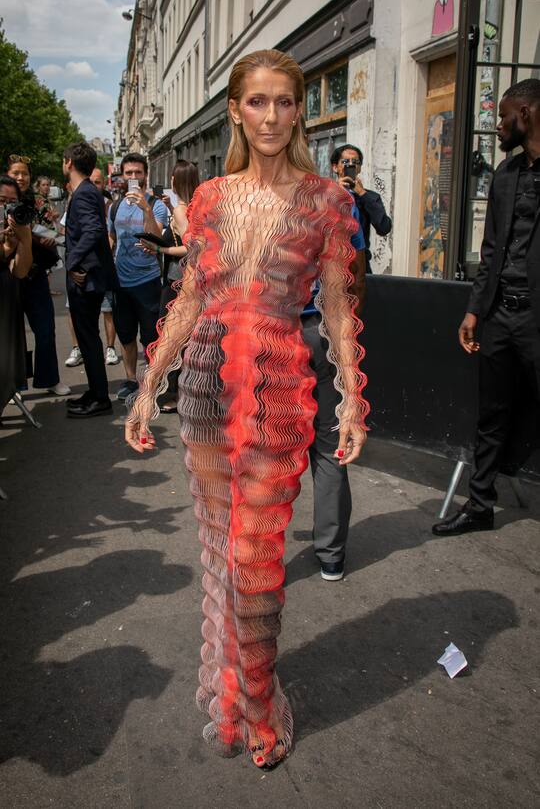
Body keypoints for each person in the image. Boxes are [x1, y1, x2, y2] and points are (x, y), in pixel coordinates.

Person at [125, 49, 369, 769]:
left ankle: (260, 706)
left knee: (258, 564)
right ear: (235, 109)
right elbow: (191, 299)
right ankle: (234, 690)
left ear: (298, 111)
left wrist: (352, 394)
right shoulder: (209, 199)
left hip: (278, 393)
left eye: (285, 102)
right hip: (203, 389)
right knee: (226, 565)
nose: (271, 116)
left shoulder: (328, 200)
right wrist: (150, 385)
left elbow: (338, 305)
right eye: (257, 102)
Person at [433, 78, 540, 536]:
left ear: (528, 114)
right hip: (499, 315)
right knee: (491, 415)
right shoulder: (506, 175)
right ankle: (479, 506)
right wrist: (475, 310)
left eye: (504, 115)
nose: (498, 126)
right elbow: (491, 247)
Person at [301, 188, 366, 581]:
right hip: (323, 329)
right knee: (329, 446)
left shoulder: (255, 195)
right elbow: (355, 272)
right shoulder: (335, 199)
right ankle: (331, 555)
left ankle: (258, 551)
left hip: (273, 334)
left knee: (264, 445)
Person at [63, 141, 118, 418]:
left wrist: (72, 262)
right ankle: (95, 392)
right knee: (87, 339)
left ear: (69, 163)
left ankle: (99, 398)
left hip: (87, 279)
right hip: (90, 276)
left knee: (89, 338)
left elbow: (94, 229)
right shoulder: (88, 191)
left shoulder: (84, 192)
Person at [7, 156, 70, 396]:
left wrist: (49, 236)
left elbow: (54, 231)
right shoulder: (3, 200)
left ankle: (49, 379)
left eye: (24, 173)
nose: (20, 177)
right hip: (10, 275)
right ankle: (16, 385)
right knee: (14, 334)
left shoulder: (39, 202)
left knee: (45, 329)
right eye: (16, 173)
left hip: (36, 274)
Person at [108, 153, 168, 401]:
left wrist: (145, 208)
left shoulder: (157, 205)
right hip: (121, 282)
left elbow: (157, 237)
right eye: (129, 173)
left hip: (148, 281)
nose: (133, 177)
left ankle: (152, 382)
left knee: (151, 336)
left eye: (138, 173)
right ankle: (131, 379)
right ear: (122, 176)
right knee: (125, 334)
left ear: (146, 175)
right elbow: (112, 237)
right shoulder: (114, 206)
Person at [137, 159, 196, 412]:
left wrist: (161, 248)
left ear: (175, 180)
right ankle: (178, 390)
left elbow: (193, 246)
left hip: (178, 282)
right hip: (179, 280)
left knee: (172, 338)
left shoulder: (183, 210)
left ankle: (176, 392)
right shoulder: (187, 207)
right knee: (178, 338)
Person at [331, 144, 392, 274]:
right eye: (345, 161)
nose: (351, 165)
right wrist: (336, 192)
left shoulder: (369, 197)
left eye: (356, 162)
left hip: (360, 266)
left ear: (359, 168)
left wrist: (362, 193)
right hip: (330, 264)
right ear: (335, 167)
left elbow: (384, 227)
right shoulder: (325, 194)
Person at [0, 175, 33, 409]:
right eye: (2, 200)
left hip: (5, 301)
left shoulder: (18, 226)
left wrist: (23, 241)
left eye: (12, 202)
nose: (7, 207)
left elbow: (21, 271)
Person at [90, 167, 120, 366]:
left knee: (108, 310)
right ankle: (82, 350)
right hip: (86, 269)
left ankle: (110, 348)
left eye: (98, 182)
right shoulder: (78, 203)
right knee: (82, 314)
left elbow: (112, 235)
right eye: (91, 182)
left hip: (106, 267)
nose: (95, 186)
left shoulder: (111, 206)